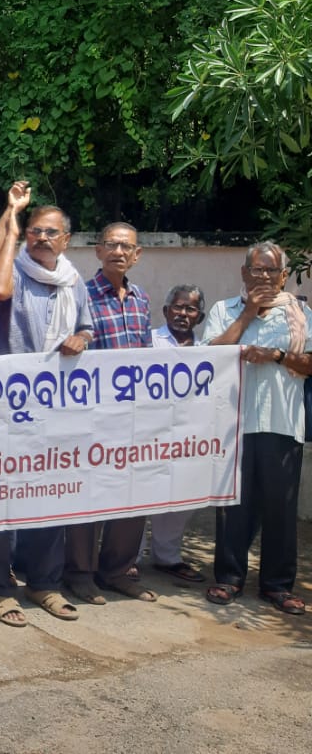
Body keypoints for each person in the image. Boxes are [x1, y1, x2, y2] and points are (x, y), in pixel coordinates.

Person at [0, 181, 93, 624]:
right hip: (7, 405)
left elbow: (86, 326)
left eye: (50, 233)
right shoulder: (16, 268)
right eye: (35, 231)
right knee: (0, 495)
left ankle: (43, 583)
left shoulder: (74, 281)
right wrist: (13, 217)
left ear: (66, 239)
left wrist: (81, 338)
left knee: (50, 493)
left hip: (55, 407)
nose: (42, 238)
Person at [203, 242, 312, 614]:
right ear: (244, 272)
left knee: (281, 508)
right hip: (233, 423)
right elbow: (208, 356)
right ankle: (229, 578)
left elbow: (310, 363)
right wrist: (248, 314)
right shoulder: (224, 310)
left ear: (284, 276)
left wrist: (277, 355)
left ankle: (277, 586)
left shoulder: (300, 314)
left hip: (283, 423)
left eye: (271, 270)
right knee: (234, 505)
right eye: (257, 269)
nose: (264, 276)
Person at [64, 223, 157, 605]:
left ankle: (117, 571)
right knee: (88, 495)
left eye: (126, 246)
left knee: (132, 494)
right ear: (98, 251)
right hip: (91, 415)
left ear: (137, 255)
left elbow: (147, 355)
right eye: (112, 245)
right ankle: (80, 574)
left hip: (133, 415)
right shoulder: (80, 295)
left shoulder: (141, 299)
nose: (119, 251)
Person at [144, 286, 207, 583]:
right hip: (148, 432)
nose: (183, 313)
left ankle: (167, 558)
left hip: (187, 435)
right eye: (178, 307)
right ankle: (127, 559)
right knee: (139, 494)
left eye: (190, 309)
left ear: (200, 317)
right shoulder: (148, 341)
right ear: (165, 311)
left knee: (180, 496)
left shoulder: (208, 349)